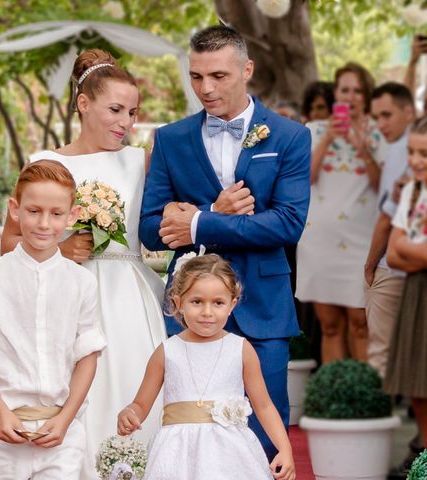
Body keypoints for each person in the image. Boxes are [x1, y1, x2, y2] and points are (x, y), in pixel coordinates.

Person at [0, 49, 167, 480]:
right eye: (115, 109)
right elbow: (9, 244)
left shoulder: (139, 160)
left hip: (126, 297)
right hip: (57, 293)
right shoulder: (48, 164)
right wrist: (62, 250)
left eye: (133, 112)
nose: (126, 122)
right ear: (84, 104)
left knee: (131, 389)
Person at [139, 25, 310, 460]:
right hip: (190, 307)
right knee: (190, 430)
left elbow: (287, 224)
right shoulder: (171, 138)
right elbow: (147, 226)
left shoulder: (290, 136)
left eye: (218, 76)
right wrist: (216, 212)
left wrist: (199, 224)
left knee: (265, 432)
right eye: (196, 76)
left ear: (247, 69)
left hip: (264, 307)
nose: (205, 88)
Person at [0, 160, 106, 479]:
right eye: (34, 211)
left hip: (60, 437)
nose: (44, 224)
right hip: (0, 435)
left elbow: (87, 358)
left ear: (72, 216)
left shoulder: (82, 283)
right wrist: (0, 413)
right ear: (15, 209)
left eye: (56, 214)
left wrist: (65, 420)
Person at [118, 253, 295, 480]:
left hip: (231, 454)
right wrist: (130, 413)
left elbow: (263, 406)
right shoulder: (166, 351)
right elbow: (141, 404)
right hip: (177, 454)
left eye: (218, 303)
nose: (207, 312)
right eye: (197, 302)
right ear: (178, 302)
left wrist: (285, 448)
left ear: (232, 304)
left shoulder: (241, 349)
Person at [296, 62, 385, 364]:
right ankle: (338, 405)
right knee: (330, 325)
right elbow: (303, 179)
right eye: (345, 89)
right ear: (336, 93)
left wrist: (363, 148)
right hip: (320, 241)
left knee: (362, 324)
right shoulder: (314, 130)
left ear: (367, 95)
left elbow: (382, 186)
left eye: (357, 90)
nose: (350, 96)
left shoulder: (379, 132)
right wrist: (328, 139)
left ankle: (364, 402)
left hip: (362, 242)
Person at [365, 82, 415, 377]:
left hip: (393, 265)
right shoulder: (398, 147)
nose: (381, 124)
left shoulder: (405, 149)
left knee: (380, 354)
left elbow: (386, 218)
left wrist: (370, 266)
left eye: (387, 115)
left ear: (408, 112)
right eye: (376, 117)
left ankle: (379, 417)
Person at [384, 115, 427, 457]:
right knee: (417, 381)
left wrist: (410, 251)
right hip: (417, 292)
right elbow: (394, 254)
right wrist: (418, 253)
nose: (414, 161)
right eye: (411, 152)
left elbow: (404, 249)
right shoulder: (412, 191)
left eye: (423, 154)